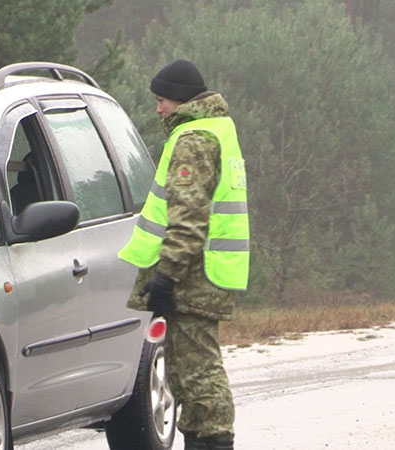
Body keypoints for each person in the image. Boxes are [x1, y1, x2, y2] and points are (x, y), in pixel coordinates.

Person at [118, 59, 249, 450]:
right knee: (185, 371)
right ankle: (204, 440)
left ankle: (212, 442)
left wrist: (167, 276)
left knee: (199, 374)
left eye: (162, 100)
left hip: (192, 277)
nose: (158, 109)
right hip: (207, 273)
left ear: (181, 99)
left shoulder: (194, 139)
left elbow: (189, 219)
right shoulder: (217, 130)